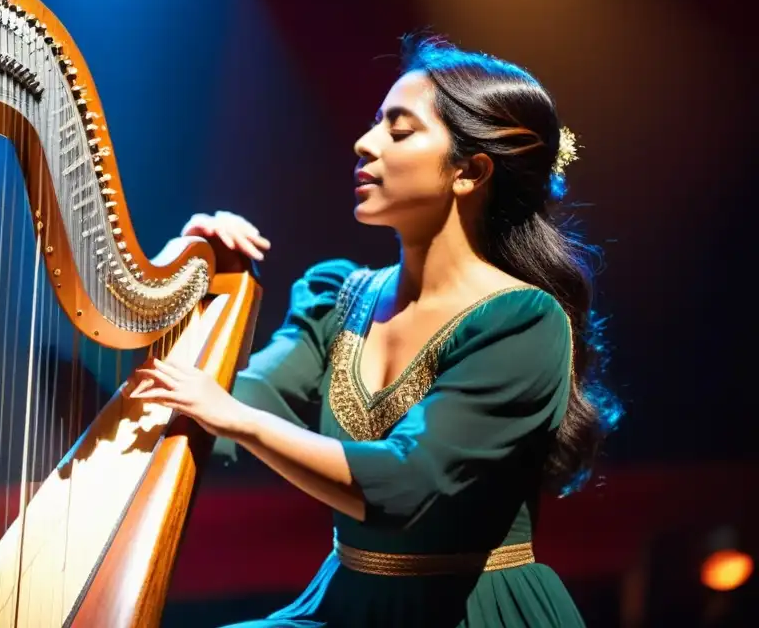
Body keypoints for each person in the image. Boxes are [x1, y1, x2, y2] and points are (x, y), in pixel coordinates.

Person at [125, 35, 621, 627]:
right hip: (348, 602)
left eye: (399, 129)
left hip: (472, 611)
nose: (365, 143)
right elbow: (226, 413)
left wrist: (235, 417)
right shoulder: (341, 298)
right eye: (373, 124)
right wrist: (207, 287)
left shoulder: (523, 321)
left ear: (470, 171)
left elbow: (408, 488)